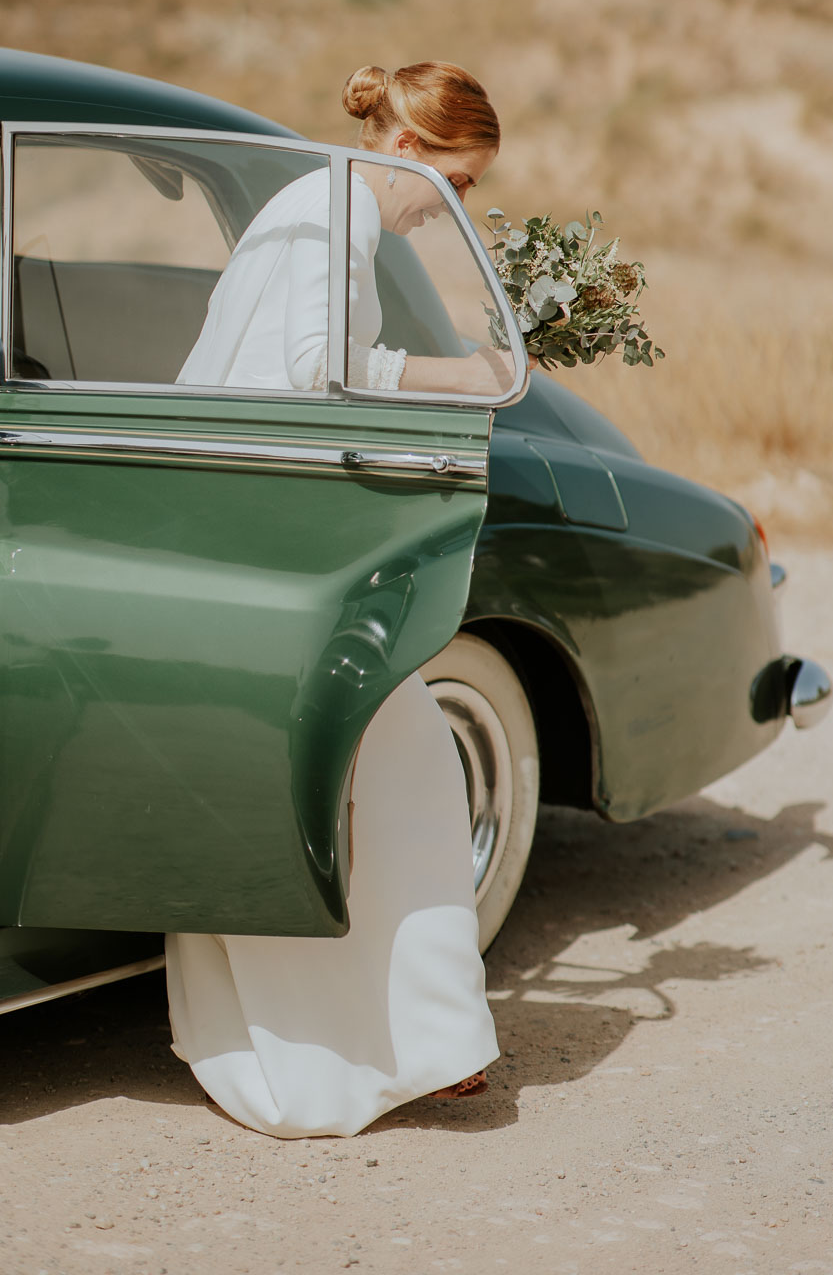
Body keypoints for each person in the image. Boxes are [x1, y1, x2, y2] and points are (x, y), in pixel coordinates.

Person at [166, 62, 509, 1137]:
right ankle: (366, 1048)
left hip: (262, 538)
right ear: (408, 153)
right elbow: (315, 372)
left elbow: (332, 358)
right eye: (456, 180)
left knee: (391, 778)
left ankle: (427, 1039)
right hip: (275, 550)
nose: (456, 203)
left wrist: (468, 374)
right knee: (377, 778)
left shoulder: (325, 204)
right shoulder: (335, 216)